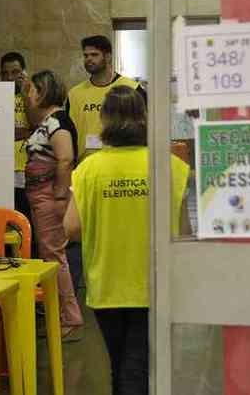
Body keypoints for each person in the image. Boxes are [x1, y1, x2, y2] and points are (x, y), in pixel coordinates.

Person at [64, 86, 190, 395]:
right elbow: (184, 231)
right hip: (153, 286)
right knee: (138, 368)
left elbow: (71, 228)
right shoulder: (170, 166)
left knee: (120, 365)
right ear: (145, 118)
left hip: (106, 286)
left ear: (105, 120)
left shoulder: (88, 170)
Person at [24, 70, 84, 340]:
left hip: (50, 198)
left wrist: (60, 194)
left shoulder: (58, 122)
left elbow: (65, 159)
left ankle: (69, 316)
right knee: (52, 256)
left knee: (54, 257)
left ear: (44, 91)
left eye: (32, 90)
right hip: (42, 197)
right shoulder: (48, 122)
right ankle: (61, 313)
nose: (28, 95)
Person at [68, 35, 147, 163]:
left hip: (123, 162)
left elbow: (146, 126)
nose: (89, 59)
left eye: (94, 55)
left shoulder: (132, 89)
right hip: (86, 165)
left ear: (108, 57)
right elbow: (68, 133)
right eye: (86, 55)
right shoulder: (74, 94)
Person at [0, 51, 36, 256]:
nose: (10, 78)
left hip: (26, 170)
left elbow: (36, 125)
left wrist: (25, 94)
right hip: (3, 173)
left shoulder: (31, 96)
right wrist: (24, 132)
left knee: (27, 226)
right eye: (5, 73)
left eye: (15, 72)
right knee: (7, 228)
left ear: (24, 73)